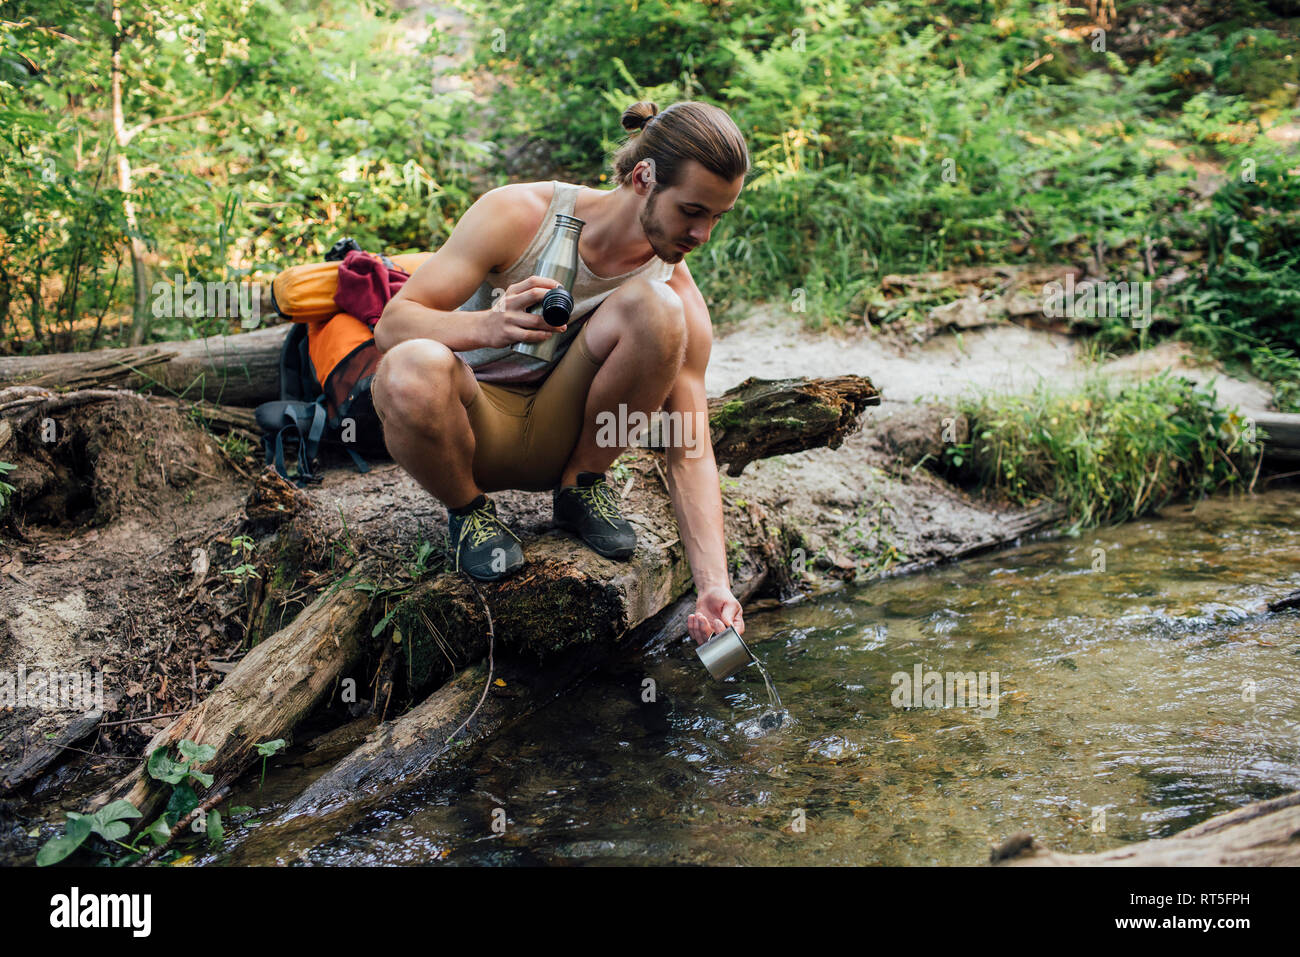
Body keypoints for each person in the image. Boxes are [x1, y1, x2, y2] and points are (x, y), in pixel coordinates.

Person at [371, 100, 747, 646]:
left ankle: (582, 489)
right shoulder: (520, 214)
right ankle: (469, 513)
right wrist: (491, 325)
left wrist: (714, 585)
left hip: (563, 435)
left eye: (716, 216)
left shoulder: (676, 289)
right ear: (644, 177)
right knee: (409, 365)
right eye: (692, 210)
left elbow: (689, 445)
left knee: (657, 309)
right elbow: (392, 325)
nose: (703, 233)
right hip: (469, 427)